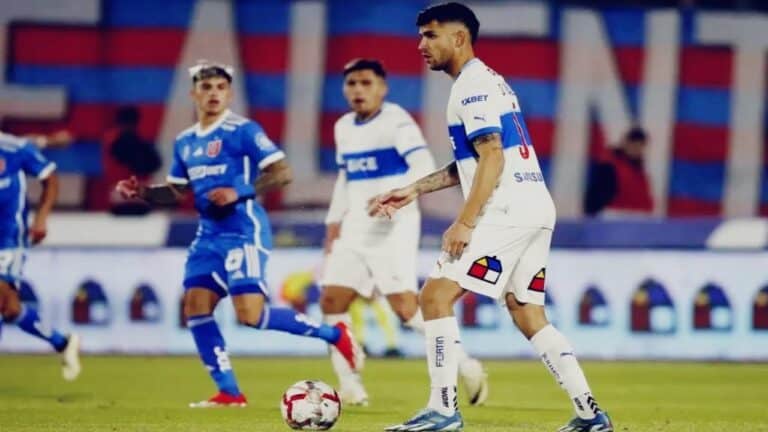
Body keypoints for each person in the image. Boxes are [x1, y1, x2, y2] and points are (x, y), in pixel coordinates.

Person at [369, 4, 613, 431]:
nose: (421, 44)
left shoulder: (472, 86)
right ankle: (590, 414)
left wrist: (465, 222)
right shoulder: (486, 81)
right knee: (526, 311)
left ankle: (442, 410)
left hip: (507, 209)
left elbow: (493, 157)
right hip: (534, 206)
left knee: (435, 296)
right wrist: (413, 189)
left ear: (459, 38)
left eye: (430, 35)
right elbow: (472, 161)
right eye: (421, 35)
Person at [116, 61, 363, 408]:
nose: (213, 93)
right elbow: (176, 191)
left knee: (251, 315)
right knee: (196, 307)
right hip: (208, 236)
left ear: (230, 94)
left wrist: (239, 191)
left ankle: (334, 334)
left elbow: (282, 173)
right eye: (206, 87)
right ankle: (230, 392)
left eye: (220, 87)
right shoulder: (185, 142)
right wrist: (143, 192)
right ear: (193, 94)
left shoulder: (243, 130)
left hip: (243, 231)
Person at [320, 58, 488, 408]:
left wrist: (393, 196)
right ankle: (349, 385)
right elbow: (345, 178)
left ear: (382, 88)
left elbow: (423, 166)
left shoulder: (396, 121)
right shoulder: (343, 127)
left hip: (393, 225)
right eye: (352, 84)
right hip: (356, 227)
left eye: (366, 83)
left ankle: (466, 364)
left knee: (406, 308)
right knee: (332, 301)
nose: (358, 90)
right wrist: (333, 223)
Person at [0, 131, 81, 381]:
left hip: (9, 237)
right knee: (10, 309)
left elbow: (50, 178)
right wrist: (50, 140)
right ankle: (62, 341)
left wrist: (41, 218)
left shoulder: (14, 149)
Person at [584, 126, 653, 217]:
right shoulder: (608, 166)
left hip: (638, 219)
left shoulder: (639, 170)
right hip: (614, 218)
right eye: (634, 145)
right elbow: (595, 199)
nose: (636, 150)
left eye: (640, 146)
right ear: (625, 143)